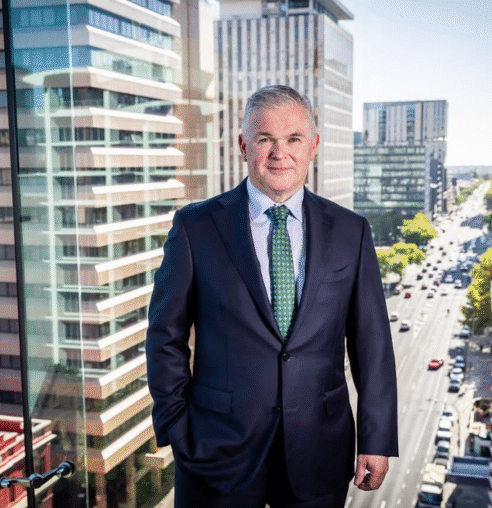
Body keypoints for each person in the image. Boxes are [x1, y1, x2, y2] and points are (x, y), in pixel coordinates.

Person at [145, 85, 398, 508]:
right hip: (214, 452)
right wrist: (177, 426)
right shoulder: (196, 227)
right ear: (244, 146)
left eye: (294, 139)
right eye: (265, 139)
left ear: (313, 146)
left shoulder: (351, 232)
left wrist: (376, 438)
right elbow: (164, 336)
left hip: (320, 448)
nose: (280, 153)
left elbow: (372, 345)